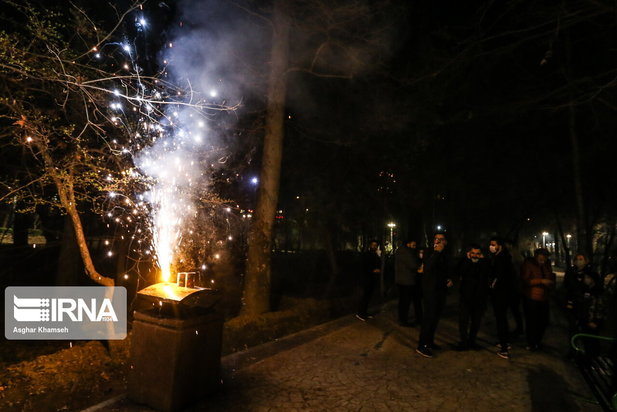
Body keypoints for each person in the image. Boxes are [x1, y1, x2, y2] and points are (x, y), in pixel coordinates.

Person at [416, 232, 453, 358]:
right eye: (436, 239)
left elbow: (445, 270)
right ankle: (422, 345)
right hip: (430, 290)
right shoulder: (429, 251)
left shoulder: (446, 254)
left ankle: (430, 342)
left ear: (445, 242)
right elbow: (428, 267)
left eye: (441, 239)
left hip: (440, 290)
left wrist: (448, 278)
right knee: (429, 317)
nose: (438, 241)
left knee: (436, 317)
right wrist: (437, 252)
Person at [456, 244, 491, 351]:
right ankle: (464, 342)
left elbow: (487, 273)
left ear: (481, 254)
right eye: (473, 253)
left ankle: (472, 341)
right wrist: (467, 260)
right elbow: (460, 271)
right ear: (469, 253)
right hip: (466, 298)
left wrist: (483, 261)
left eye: (477, 254)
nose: (475, 256)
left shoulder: (484, 264)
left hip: (479, 298)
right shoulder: (464, 262)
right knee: (463, 322)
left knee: (476, 322)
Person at [488, 237, 518, 359]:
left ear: (500, 245)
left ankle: (504, 348)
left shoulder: (502, 258)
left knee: (501, 318)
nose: (491, 246)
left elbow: (499, 276)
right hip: (504, 292)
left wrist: (492, 284)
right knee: (502, 318)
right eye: (490, 244)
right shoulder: (501, 257)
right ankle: (504, 341)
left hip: (501, 293)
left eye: (493, 244)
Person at [520, 248, 556, 351]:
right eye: (541, 255)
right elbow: (526, 280)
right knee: (532, 321)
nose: (543, 258)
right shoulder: (528, 264)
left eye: (545, 256)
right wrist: (541, 281)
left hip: (544, 297)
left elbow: (550, 277)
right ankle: (531, 343)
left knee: (544, 321)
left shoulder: (547, 265)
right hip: (531, 297)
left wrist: (550, 284)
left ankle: (537, 341)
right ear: (536, 256)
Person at [564, 254, 598, 345]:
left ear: (586, 261)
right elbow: (566, 286)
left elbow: (593, 287)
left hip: (584, 305)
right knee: (572, 328)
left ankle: (585, 351)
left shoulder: (589, 272)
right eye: (577, 259)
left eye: (581, 259)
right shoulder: (571, 272)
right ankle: (573, 350)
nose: (579, 261)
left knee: (584, 329)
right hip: (572, 303)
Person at [394, 240, 421, 326]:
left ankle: (402, 318)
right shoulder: (407, 253)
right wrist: (419, 265)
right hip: (407, 281)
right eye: (413, 245)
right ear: (408, 244)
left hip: (400, 280)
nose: (415, 246)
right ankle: (403, 320)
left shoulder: (400, 251)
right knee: (405, 302)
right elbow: (413, 265)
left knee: (402, 301)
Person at [356, 240, 381, 321]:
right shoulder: (366, 254)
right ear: (370, 245)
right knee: (365, 297)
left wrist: (378, 256)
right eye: (373, 245)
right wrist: (372, 270)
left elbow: (378, 264)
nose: (375, 246)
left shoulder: (375, 254)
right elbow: (363, 266)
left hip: (372, 279)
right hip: (366, 279)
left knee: (369, 297)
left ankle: (364, 312)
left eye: (376, 245)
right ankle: (360, 313)